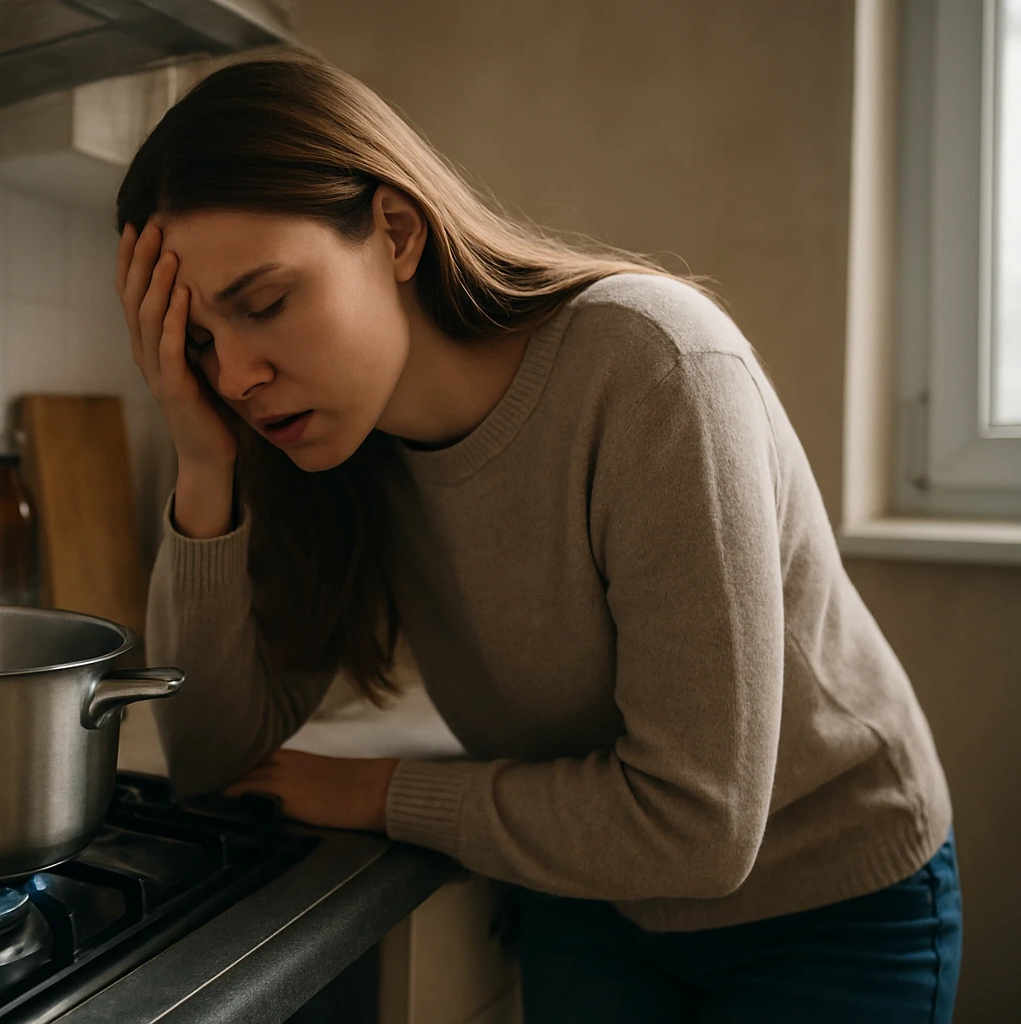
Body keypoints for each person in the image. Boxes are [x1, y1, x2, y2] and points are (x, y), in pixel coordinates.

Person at [112, 54, 961, 1023]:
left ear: (394, 231)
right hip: (589, 894)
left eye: (263, 304)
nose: (238, 375)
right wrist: (202, 457)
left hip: (825, 904)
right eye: (199, 344)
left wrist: (382, 792)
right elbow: (214, 757)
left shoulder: (653, 367)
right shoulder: (330, 449)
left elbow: (701, 830)